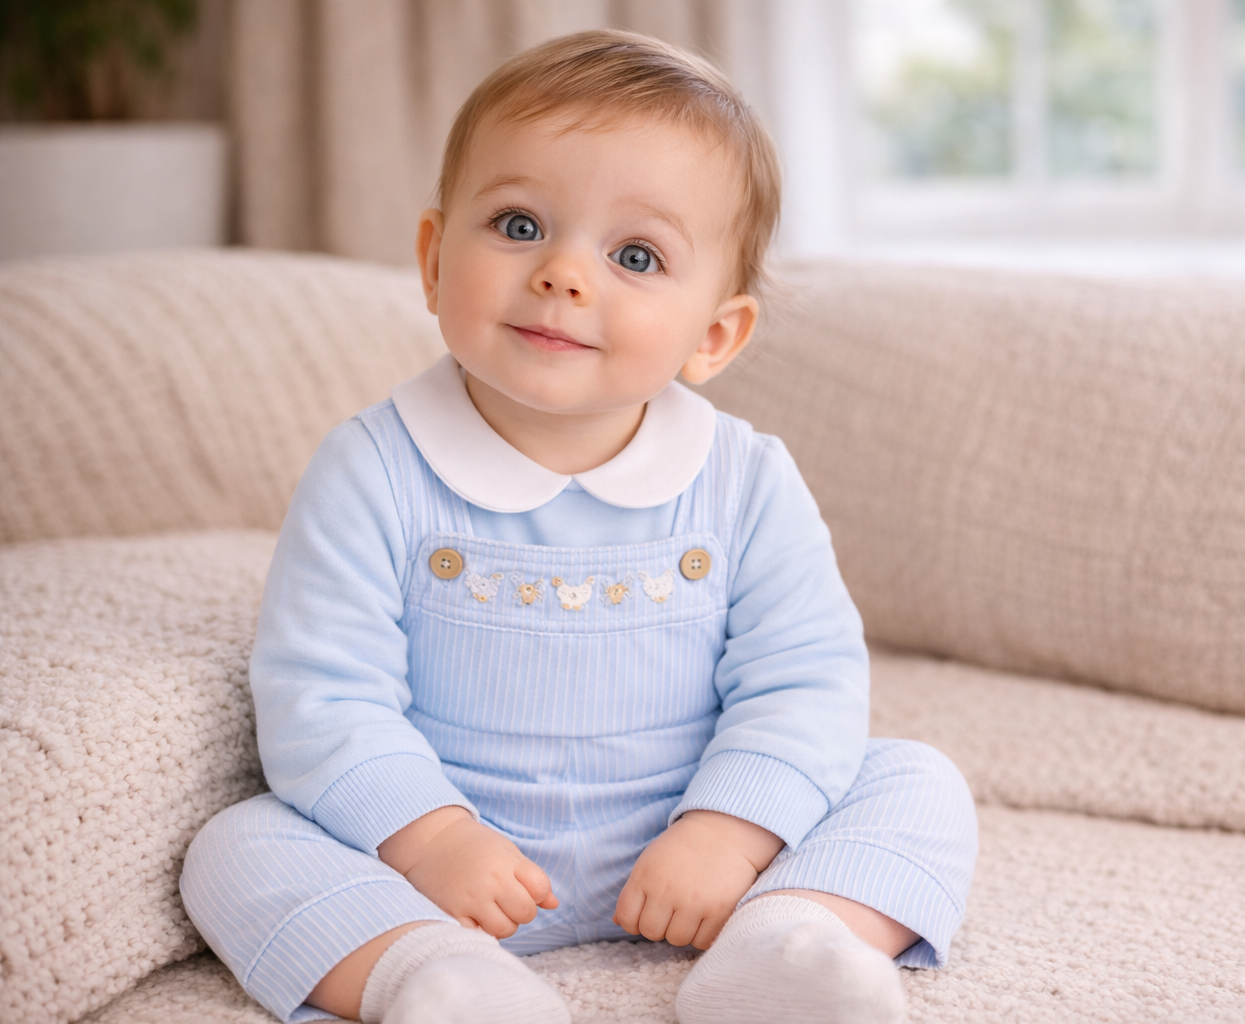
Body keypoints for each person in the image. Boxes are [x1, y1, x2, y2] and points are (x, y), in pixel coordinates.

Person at [180, 29, 977, 1024]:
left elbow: (804, 678)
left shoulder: (744, 481)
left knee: (916, 780)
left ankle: (781, 943)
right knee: (234, 845)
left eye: (635, 255)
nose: (563, 272)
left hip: (700, 865)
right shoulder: (373, 468)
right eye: (518, 225)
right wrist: (429, 840)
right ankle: (431, 975)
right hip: (446, 868)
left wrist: (728, 837)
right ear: (433, 261)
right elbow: (323, 691)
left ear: (714, 337)